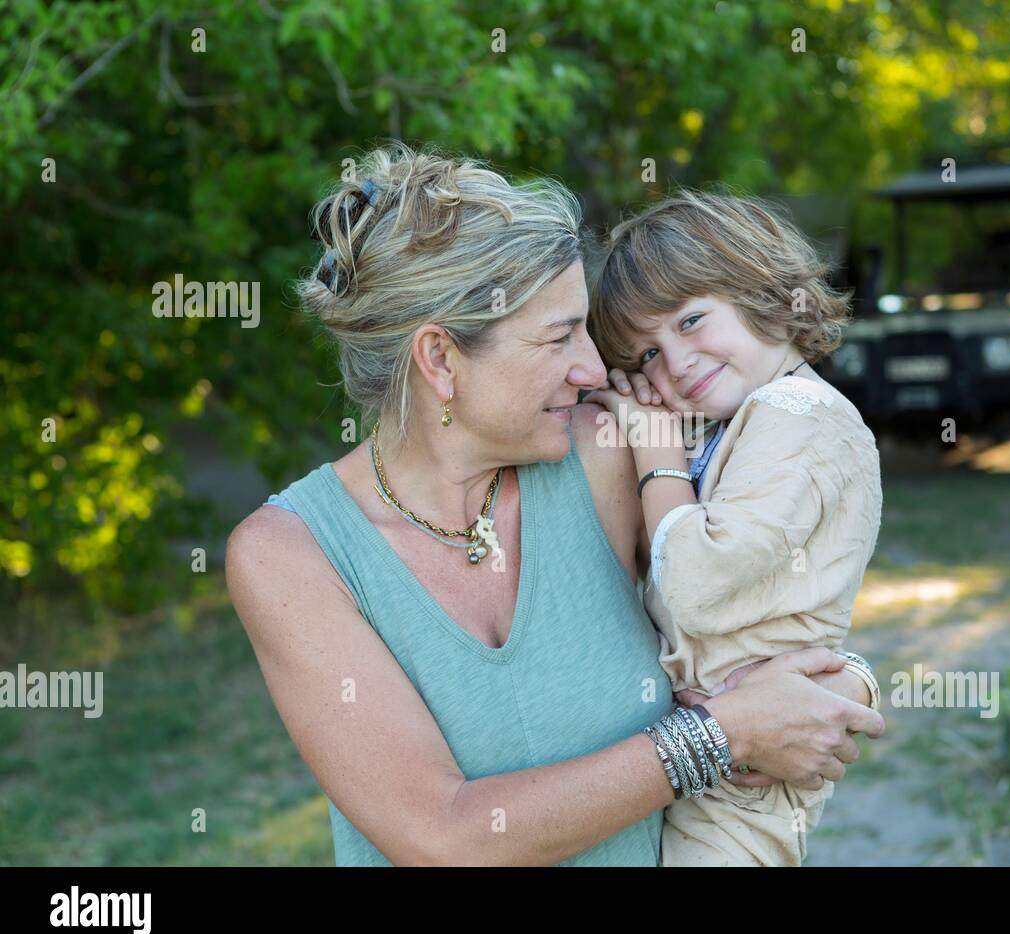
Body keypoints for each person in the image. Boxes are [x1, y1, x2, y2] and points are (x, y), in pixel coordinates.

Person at [225, 142, 884, 866]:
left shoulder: (603, 451)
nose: (594, 368)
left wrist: (841, 685)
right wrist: (720, 736)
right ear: (440, 359)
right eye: (560, 335)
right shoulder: (290, 556)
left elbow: (754, 600)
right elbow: (443, 837)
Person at [584, 189, 884, 865]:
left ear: (762, 290)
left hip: (748, 782)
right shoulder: (737, 423)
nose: (675, 362)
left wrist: (655, 448)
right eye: (647, 355)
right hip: (713, 745)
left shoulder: (802, 415)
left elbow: (695, 582)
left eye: (690, 321)